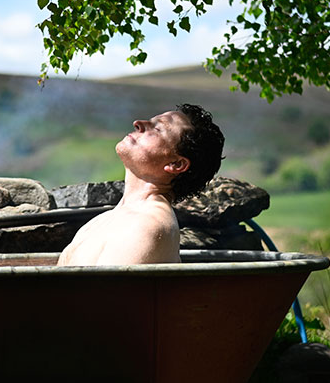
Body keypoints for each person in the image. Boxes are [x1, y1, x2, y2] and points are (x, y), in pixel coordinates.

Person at [57, 103, 224, 266]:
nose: (138, 123)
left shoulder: (149, 226)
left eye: (157, 129)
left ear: (176, 164)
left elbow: (106, 294)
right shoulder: (105, 219)